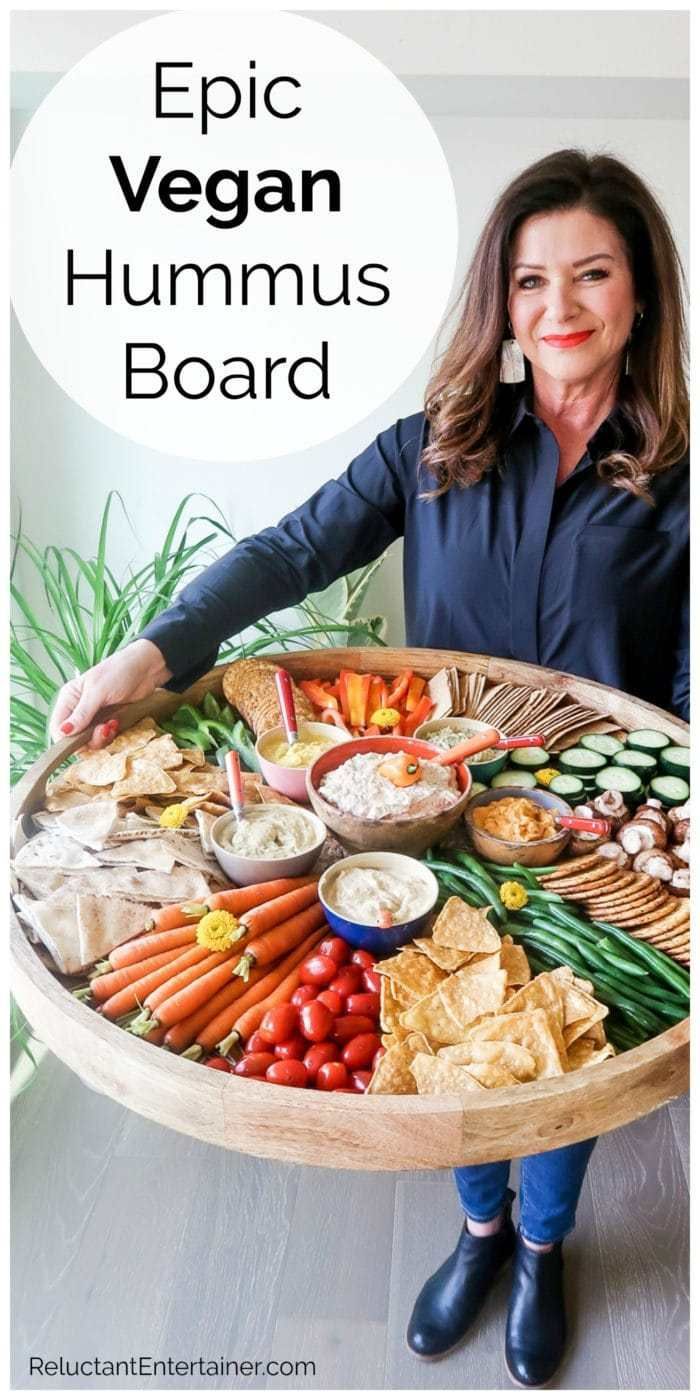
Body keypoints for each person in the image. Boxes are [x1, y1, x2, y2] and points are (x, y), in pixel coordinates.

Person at [50, 149, 689, 1386]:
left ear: (641, 293)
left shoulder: (680, 484)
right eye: (530, 280)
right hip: (425, 822)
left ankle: (545, 1245)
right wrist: (151, 648)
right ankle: (479, 1228)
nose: (559, 306)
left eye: (592, 274)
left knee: (575, 1047)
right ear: (499, 304)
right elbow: (289, 549)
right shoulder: (434, 445)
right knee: (453, 1029)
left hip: (592, 832)